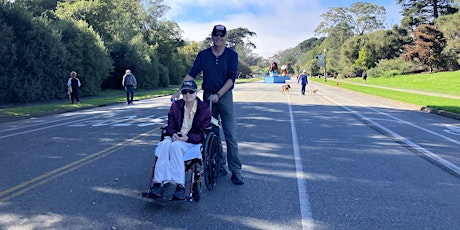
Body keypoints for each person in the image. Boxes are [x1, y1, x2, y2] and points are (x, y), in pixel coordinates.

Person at [173, 24, 244, 185]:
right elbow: (192, 74)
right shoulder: (203, 55)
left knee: (230, 134)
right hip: (207, 97)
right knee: (211, 132)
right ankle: (219, 165)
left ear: (226, 37)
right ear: (212, 36)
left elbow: (231, 79)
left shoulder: (232, 55)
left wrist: (219, 94)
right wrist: (179, 91)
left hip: (224, 96)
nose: (218, 38)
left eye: (221, 35)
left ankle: (236, 170)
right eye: (215, 35)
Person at [149, 80, 211, 199]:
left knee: (176, 146)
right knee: (166, 144)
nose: (188, 94)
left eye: (191, 91)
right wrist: (173, 134)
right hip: (175, 137)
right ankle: (158, 183)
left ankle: (180, 185)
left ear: (196, 92)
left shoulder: (204, 109)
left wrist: (188, 137)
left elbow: (202, 131)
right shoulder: (176, 106)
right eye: (185, 92)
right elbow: (170, 125)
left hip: (191, 141)